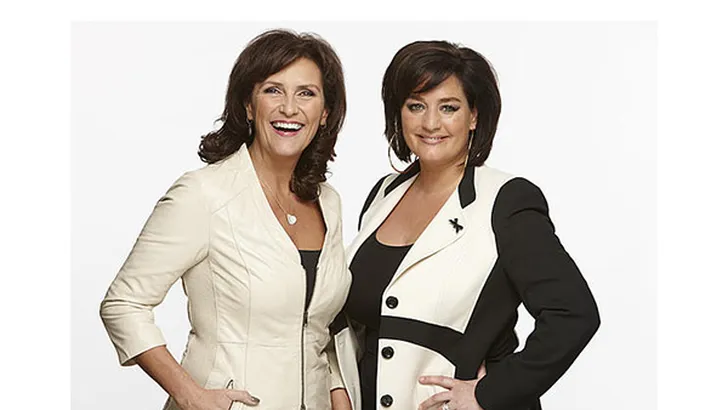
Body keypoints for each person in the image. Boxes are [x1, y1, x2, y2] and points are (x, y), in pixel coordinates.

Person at [332, 40, 601, 410]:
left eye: (449, 107)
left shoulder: (506, 201)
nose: (430, 123)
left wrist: (490, 394)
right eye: (416, 106)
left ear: (473, 116)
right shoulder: (384, 193)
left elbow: (573, 314)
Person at [100, 29, 353, 410]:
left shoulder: (328, 203)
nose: (289, 107)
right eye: (273, 90)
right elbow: (123, 303)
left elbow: (315, 323)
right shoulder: (204, 194)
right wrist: (190, 395)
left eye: (306, 93)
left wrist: (337, 394)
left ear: (325, 114)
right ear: (249, 105)